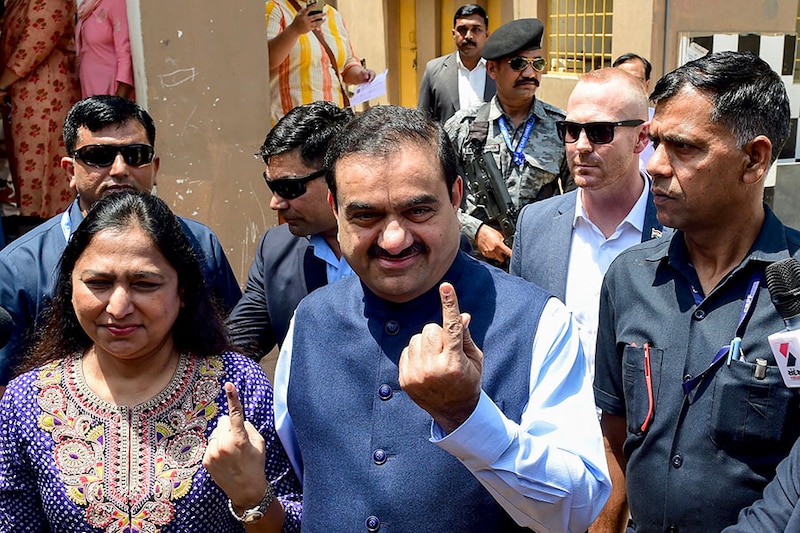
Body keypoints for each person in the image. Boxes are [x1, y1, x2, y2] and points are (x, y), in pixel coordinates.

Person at [273, 105, 610, 531]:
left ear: (455, 196)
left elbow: (576, 510)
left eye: (418, 211)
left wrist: (468, 416)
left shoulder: (538, 322)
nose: (394, 240)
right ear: (334, 208)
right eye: (366, 216)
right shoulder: (309, 321)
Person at [0, 191, 301, 532]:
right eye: (98, 283)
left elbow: (297, 520)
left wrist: (251, 495)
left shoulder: (237, 385)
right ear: (69, 287)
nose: (118, 307)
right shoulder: (27, 400)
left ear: (182, 291)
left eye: (144, 284)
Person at [593, 50, 800, 532]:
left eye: (684, 148)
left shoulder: (794, 290)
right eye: (656, 143)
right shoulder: (629, 278)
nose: (655, 166)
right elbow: (615, 433)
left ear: (754, 160)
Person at [0, 95, 241, 394]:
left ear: (155, 167)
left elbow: (229, 345)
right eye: (98, 155)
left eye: (135, 154)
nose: (119, 169)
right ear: (70, 171)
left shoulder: (200, 243)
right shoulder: (18, 267)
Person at [510, 68, 668, 378]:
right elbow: (518, 332)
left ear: (641, 138)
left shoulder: (678, 229)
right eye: (572, 130)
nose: (581, 146)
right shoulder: (535, 225)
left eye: (599, 132)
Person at [227, 101, 354, 360]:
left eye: (289, 188)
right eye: (271, 186)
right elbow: (237, 346)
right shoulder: (274, 250)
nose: (275, 203)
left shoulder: (399, 244)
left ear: (337, 176)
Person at [445, 18, 571, 264]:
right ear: (492, 69)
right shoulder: (463, 126)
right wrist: (475, 230)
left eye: (537, 64)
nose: (530, 73)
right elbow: (436, 194)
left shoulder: (561, 127)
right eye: (518, 64)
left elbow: (577, 200)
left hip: (539, 260)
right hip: (475, 262)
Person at [0, 0, 82, 221]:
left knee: (46, 168)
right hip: (22, 94)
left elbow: (35, 42)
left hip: (46, 93)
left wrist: (2, 84)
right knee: (28, 171)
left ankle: (53, 230)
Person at [266, 0, 376, 125]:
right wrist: (294, 30)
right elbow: (267, 60)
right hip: (293, 124)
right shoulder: (276, 8)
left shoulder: (334, 15)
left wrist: (360, 74)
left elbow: (347, 61)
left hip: (332, 122)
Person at [417, 4, 495, 125]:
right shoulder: (434, 70)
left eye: (476, 29)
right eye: (462, 30)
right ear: (454, 34)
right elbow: (423, 121)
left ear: (487, 35)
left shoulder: (500, 71)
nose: (469, 36)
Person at [76, 0, 136, 100]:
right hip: (90, 87)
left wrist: (119, 99)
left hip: (111, 89)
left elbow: (125, 51)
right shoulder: (86, 6)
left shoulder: (116, 3)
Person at [613, 53, 655, 170]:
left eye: (635, 80)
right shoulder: (600, 120)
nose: (628, 86)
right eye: (622, 80)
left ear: (646, 85)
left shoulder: (659, 121)